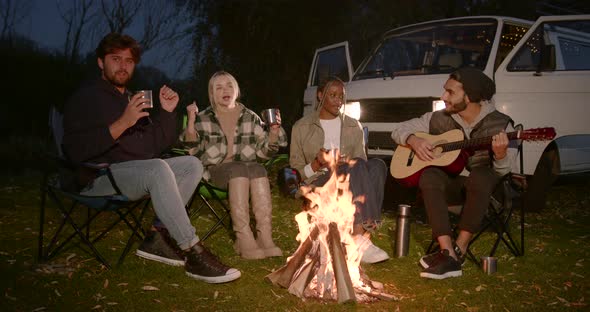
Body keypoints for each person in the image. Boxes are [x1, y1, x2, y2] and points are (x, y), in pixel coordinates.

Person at [62, 33, 240, 283]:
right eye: (116, 59)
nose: (123, 66)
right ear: (101, 62)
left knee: (192, 164)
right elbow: (74, 150)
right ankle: (192, 251)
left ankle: (157, 235)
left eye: (129, 61)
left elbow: (151, 146)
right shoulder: (87, 98)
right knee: (157, 168)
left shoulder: (129, 97)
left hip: (132, 171)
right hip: (97, 177)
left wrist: (167, 113)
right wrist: (122, 123)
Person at [390, 68, 517, 280]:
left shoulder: (502, 124)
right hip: (452, 191)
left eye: (450, 92)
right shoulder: (437, 118)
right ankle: (447, 251)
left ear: (470, 97)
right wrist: (413, 139)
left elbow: (504, 172)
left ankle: (461, 246)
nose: (443, 97)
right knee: (429, 174)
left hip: (486, 195)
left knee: (482, 175)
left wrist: (501, 155)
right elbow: (399, 129)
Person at [182, 71, 288, 259]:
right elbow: (192, 152)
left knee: (258, 168)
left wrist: (274, 131)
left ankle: (265, 237)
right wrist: (191, 121)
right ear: (212, 93)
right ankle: (242, 237)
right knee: (239, 167)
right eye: (219, 87)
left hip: (246, 172)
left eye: (229, 85)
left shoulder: (250, 116)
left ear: (236, 90)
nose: (225, 90)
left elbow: (264, 153)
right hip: (215, 172)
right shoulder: (204, 117)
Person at [289, 76, 390, 264]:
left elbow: (363, 167)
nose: (338, 101)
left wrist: (344, 164)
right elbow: (295, 174)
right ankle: (359, 239)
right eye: (332, 95)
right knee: (358, 165)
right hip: (318, 182)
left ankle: (362, 235)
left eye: (341, 96)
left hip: (349, 179)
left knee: (377, 165)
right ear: (320, 96)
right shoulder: (302, 127)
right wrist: (318, 164)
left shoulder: (354, 125)